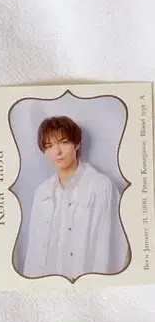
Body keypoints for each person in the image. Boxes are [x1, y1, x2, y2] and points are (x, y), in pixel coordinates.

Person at [21, 116, 125, 280]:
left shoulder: (101, 187)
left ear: (77, 144)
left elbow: (112, 245)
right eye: (49, 146)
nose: (57, 152)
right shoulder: (42, 193)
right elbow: (34, 251)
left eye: (63, 142)